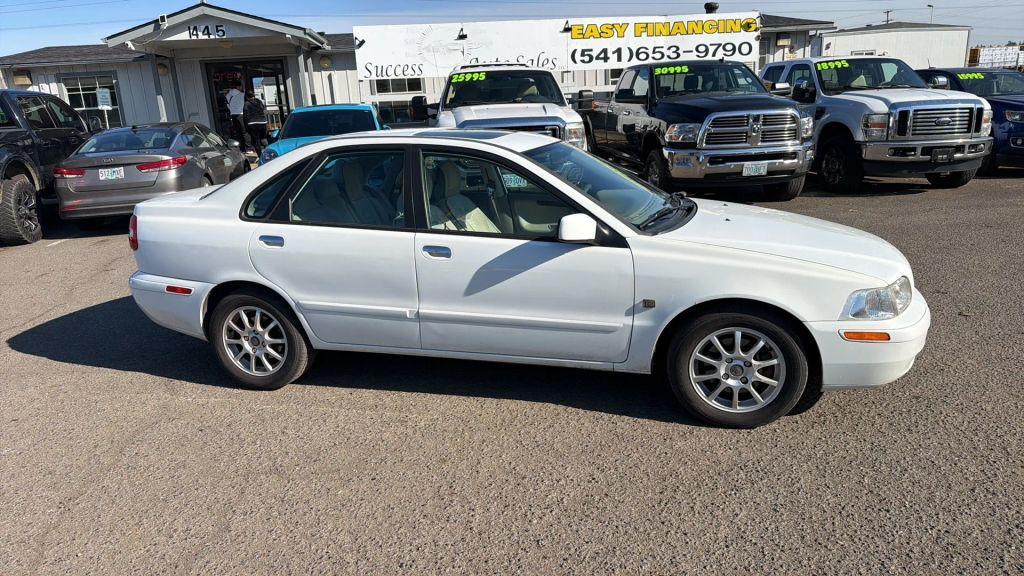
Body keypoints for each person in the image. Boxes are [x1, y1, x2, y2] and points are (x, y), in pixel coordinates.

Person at [243, 91, 268, 157]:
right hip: (262, 122)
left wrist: (246, 126)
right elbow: (263, 109)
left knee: (256, 140)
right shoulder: (259, 101)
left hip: (252, 123)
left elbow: (246, 115)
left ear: (247, 97)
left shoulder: (247, 103)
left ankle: (260, 156)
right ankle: (268, 153)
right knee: (263, 138)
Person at [225, 80, 246, 152]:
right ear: (238, 86)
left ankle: (241, 148)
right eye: (241, 86)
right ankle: (248, 147)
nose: (241, 88)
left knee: (238, 132)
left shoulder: (228, 95)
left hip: (233, 115)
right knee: (244, 131)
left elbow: (228, 105)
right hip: (241, 114)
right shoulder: (242, 94)